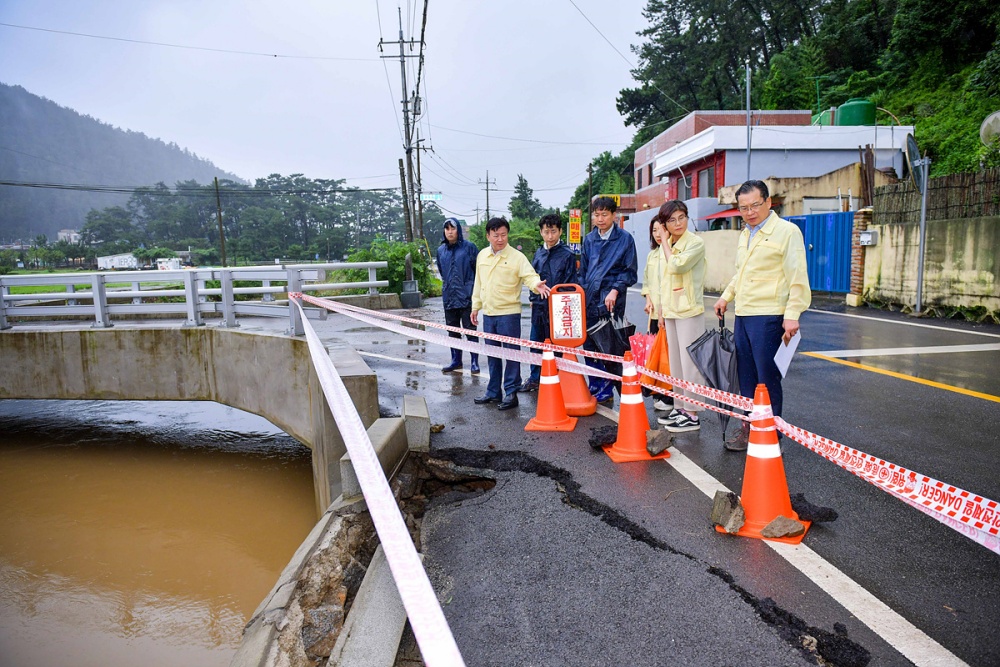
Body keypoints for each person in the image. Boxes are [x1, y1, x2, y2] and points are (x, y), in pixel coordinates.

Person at [713, 180, 811, 451]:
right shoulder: (746, 234)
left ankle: (770, 437)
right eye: (743, 207)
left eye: (755, 205)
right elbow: (740, 273)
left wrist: (792, 314)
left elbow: (798, 276)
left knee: (767, 378)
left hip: (769, 316)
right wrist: (726, 297)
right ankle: (749, 429)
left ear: (769, 202)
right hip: (743, 314)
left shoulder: (786, 232)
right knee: (745, 377)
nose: (750, 211)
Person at [471, 217, 551, 410]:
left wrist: (536, 285)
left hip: (509, 314)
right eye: (496, 235)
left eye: (504, 235)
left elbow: (530, 276)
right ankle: (493, 392)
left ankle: (511, 393)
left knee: (511, 355)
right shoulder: (482, 255)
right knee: (492, 354)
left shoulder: (517, 257)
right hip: (489, 314)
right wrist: (475, 307)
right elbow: (478, 283)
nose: (500, 239)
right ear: (488, 236)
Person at [651, 200, 708, 434]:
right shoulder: (671, 243)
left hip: (689, 310)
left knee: (690, 364)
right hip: (672, 310)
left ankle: (692, 413)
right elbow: (665, 281)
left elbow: (676, 267)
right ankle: (681, 407)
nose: (678, 223)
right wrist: (661, 310)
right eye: (671, 220)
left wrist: (664, 240)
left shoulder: (694, 243)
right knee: (676, 363)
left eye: (681, 217)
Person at [578, 196, 638, 403]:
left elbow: (629, 272)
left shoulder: (624, 239)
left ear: (614, 215)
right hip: (589, 300)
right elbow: (583, 272)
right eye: (596, 214)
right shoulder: (589, 239)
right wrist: (580, 294)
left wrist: (615, 289)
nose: (600, 219)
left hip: (610, 303)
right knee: (589, 347)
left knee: (610, 347)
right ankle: (596, 386)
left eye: (605, 214)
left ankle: (614, 387)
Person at [520, 213, 579, 393]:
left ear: (560, 231)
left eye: (553, 231)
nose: (550, 236)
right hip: (539, 306)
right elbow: (532, 278)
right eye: (546, 232)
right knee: (537, 343)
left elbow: (571, 282)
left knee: (557, 344)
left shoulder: (568, 255)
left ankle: (559, 377)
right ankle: (535, 377)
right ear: (541, 232)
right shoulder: (538, 253)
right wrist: (532, 299)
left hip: (559, 307)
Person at [436, 218, 480, 374]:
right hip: (449, 296)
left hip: (466, 296)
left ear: (458, 230)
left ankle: (474, 361)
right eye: (446, 229)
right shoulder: (441, 250)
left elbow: (478, 271)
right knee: (452, 331)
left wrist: (472, 289)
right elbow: (442, 271)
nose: (449, 231)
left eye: (452, 228)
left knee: (470, 330)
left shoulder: (469, 248)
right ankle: (456, 360)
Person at [640, 213, 673, 413]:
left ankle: (670, 396)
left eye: (661, 229)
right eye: (654, 230)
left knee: (668, 357)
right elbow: (647, 281)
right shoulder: (652, 255)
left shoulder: (672, 252)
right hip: (653, 313)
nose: (658, 234)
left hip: (669, 312)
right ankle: (658, 391)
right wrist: (648, 298)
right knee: (656, 355)